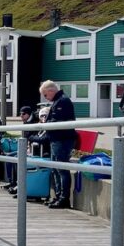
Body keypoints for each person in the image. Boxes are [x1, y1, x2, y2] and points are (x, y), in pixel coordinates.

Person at [39, 80, 76, 209]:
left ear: (51, 91)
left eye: (45, 95)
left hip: (62, 139)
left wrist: (47, 123)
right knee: (55, 168)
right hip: (57, 139)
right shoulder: (58, 101)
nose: (45, 98)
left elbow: (58, 120)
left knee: (61, 169)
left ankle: (64, 198)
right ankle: (58, 196)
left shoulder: (62, 101)